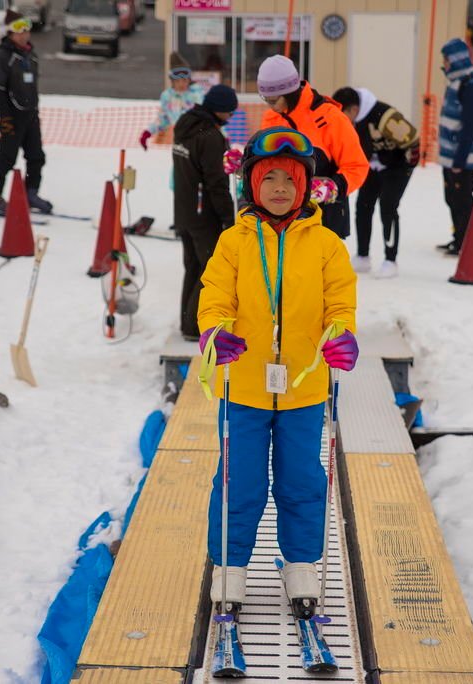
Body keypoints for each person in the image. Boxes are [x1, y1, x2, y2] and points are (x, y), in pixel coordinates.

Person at [197, 127, 359, 615]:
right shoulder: (233, 242)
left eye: (290, 179)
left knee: (302, 481)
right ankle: (230, 568)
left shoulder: (327, 244)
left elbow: (340, 303)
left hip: (305, 389)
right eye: (270, 178)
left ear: (308, 187)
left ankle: (302, 566)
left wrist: (341, 335)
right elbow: (215, 295)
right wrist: (214, 332)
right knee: (239, 480)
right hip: (243, 385)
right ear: (250, 184)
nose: (281, 189)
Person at [258, 55, 368, 240]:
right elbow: (267, 164)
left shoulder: (329, 117)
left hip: (325, 221)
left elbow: (357, 166)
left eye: (273, 100)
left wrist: (333, 187)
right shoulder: (272, 118)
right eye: (265, 99)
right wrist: (245, 162)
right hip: (283, 219)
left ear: (289, 92)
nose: (270, 106)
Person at [172, 84, 238, 341]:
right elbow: (216, 182)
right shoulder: (210, 137)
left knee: (193, 266)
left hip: (184, 209)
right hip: (203, 214)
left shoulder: (184, 126)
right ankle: (193, 326)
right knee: (209, 268)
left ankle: (186, 323)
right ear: (220, 110)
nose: (230, 118)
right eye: (229, 113)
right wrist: (228, 217)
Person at [332, 87, 419, 279]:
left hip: (397, 167)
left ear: (353, 109)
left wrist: (402, 167)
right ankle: (363, 255)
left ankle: (391, 260)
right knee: (363, 206)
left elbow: (413, 140)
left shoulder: (385, 117)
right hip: (371, 167)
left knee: (388, 207)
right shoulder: (351, 122)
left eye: (343, 113)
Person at [0, 10, 52, 215]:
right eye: (18, 30)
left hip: (30, 114)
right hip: (12, 116)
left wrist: (34, 108)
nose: (23, 34)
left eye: (26, 29)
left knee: (36, 157)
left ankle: (30, 193)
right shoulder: (3, 56)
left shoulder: (31, 55)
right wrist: (5, 117)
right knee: (7, 158)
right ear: (9, 33)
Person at [437, 38, 473, 256]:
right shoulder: (455, 83)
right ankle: (458, 238)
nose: (444, 64)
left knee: (462, 201)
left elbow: (470, 127)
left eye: (446, 60)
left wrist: (459, 161)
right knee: (452, 199)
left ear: (456, 60)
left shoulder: (471, 86)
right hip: (450, 157)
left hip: (462, 160)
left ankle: (465, 243)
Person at [138, 52, 204, 152]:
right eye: (177, 81)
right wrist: (147, 133)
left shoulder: (196, 95)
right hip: (179, 140)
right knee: (179, 167)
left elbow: (208, 116)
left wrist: (223, 135)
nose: (181, 84)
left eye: (184, 80)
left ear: (189, 80)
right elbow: (163, 119)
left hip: (198, 138)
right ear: (172, 81)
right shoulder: (168, 97)